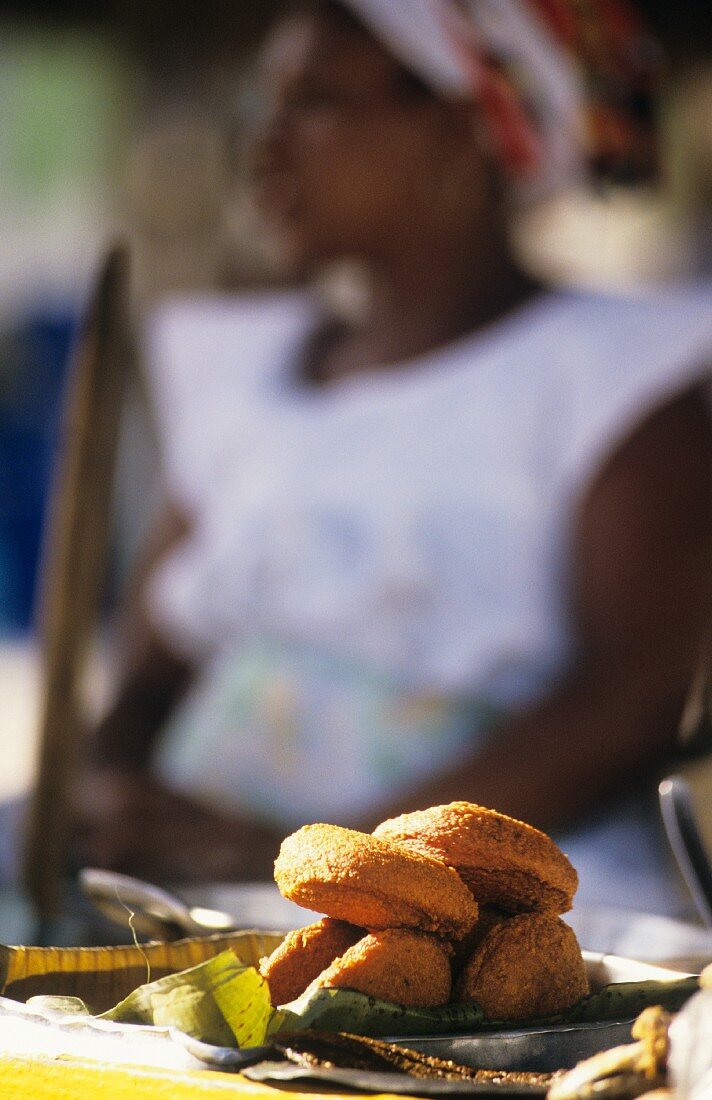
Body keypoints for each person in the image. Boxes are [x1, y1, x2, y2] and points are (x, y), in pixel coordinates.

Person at [75, 0, 712, 915]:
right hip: (200, 884)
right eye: (268, 104)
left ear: (463, 131)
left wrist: (327, 862)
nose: (266, 145)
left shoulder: (611, 379)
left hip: (488, 906)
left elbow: (631, 703)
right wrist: (106, 791)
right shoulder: (242, 376)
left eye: (317, 102)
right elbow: (147, 672)